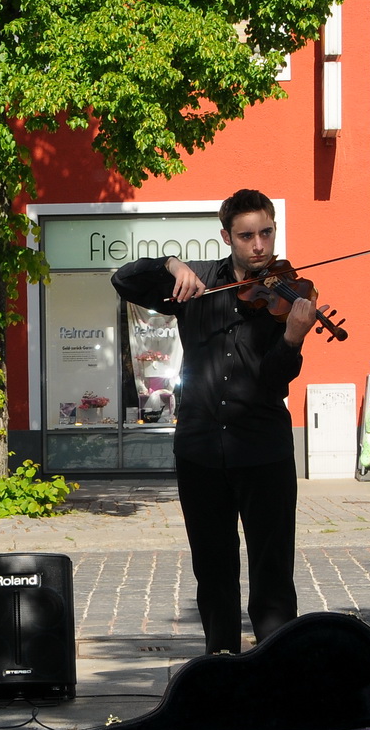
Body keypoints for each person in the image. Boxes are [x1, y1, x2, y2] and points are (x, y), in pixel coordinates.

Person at [112, 189, 318, 654]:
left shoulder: (286, 295)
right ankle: (221, 665)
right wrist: (169, 264)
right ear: (226, 236)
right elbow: (123, 280)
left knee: (272, 572)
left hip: (263, 450)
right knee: (213, 570)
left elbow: (274, 382)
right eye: (247, 236)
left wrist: (292, 339)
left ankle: (275, 669)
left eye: (266, 233)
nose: (259, 245)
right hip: (201, 450)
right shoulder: (197, 283)